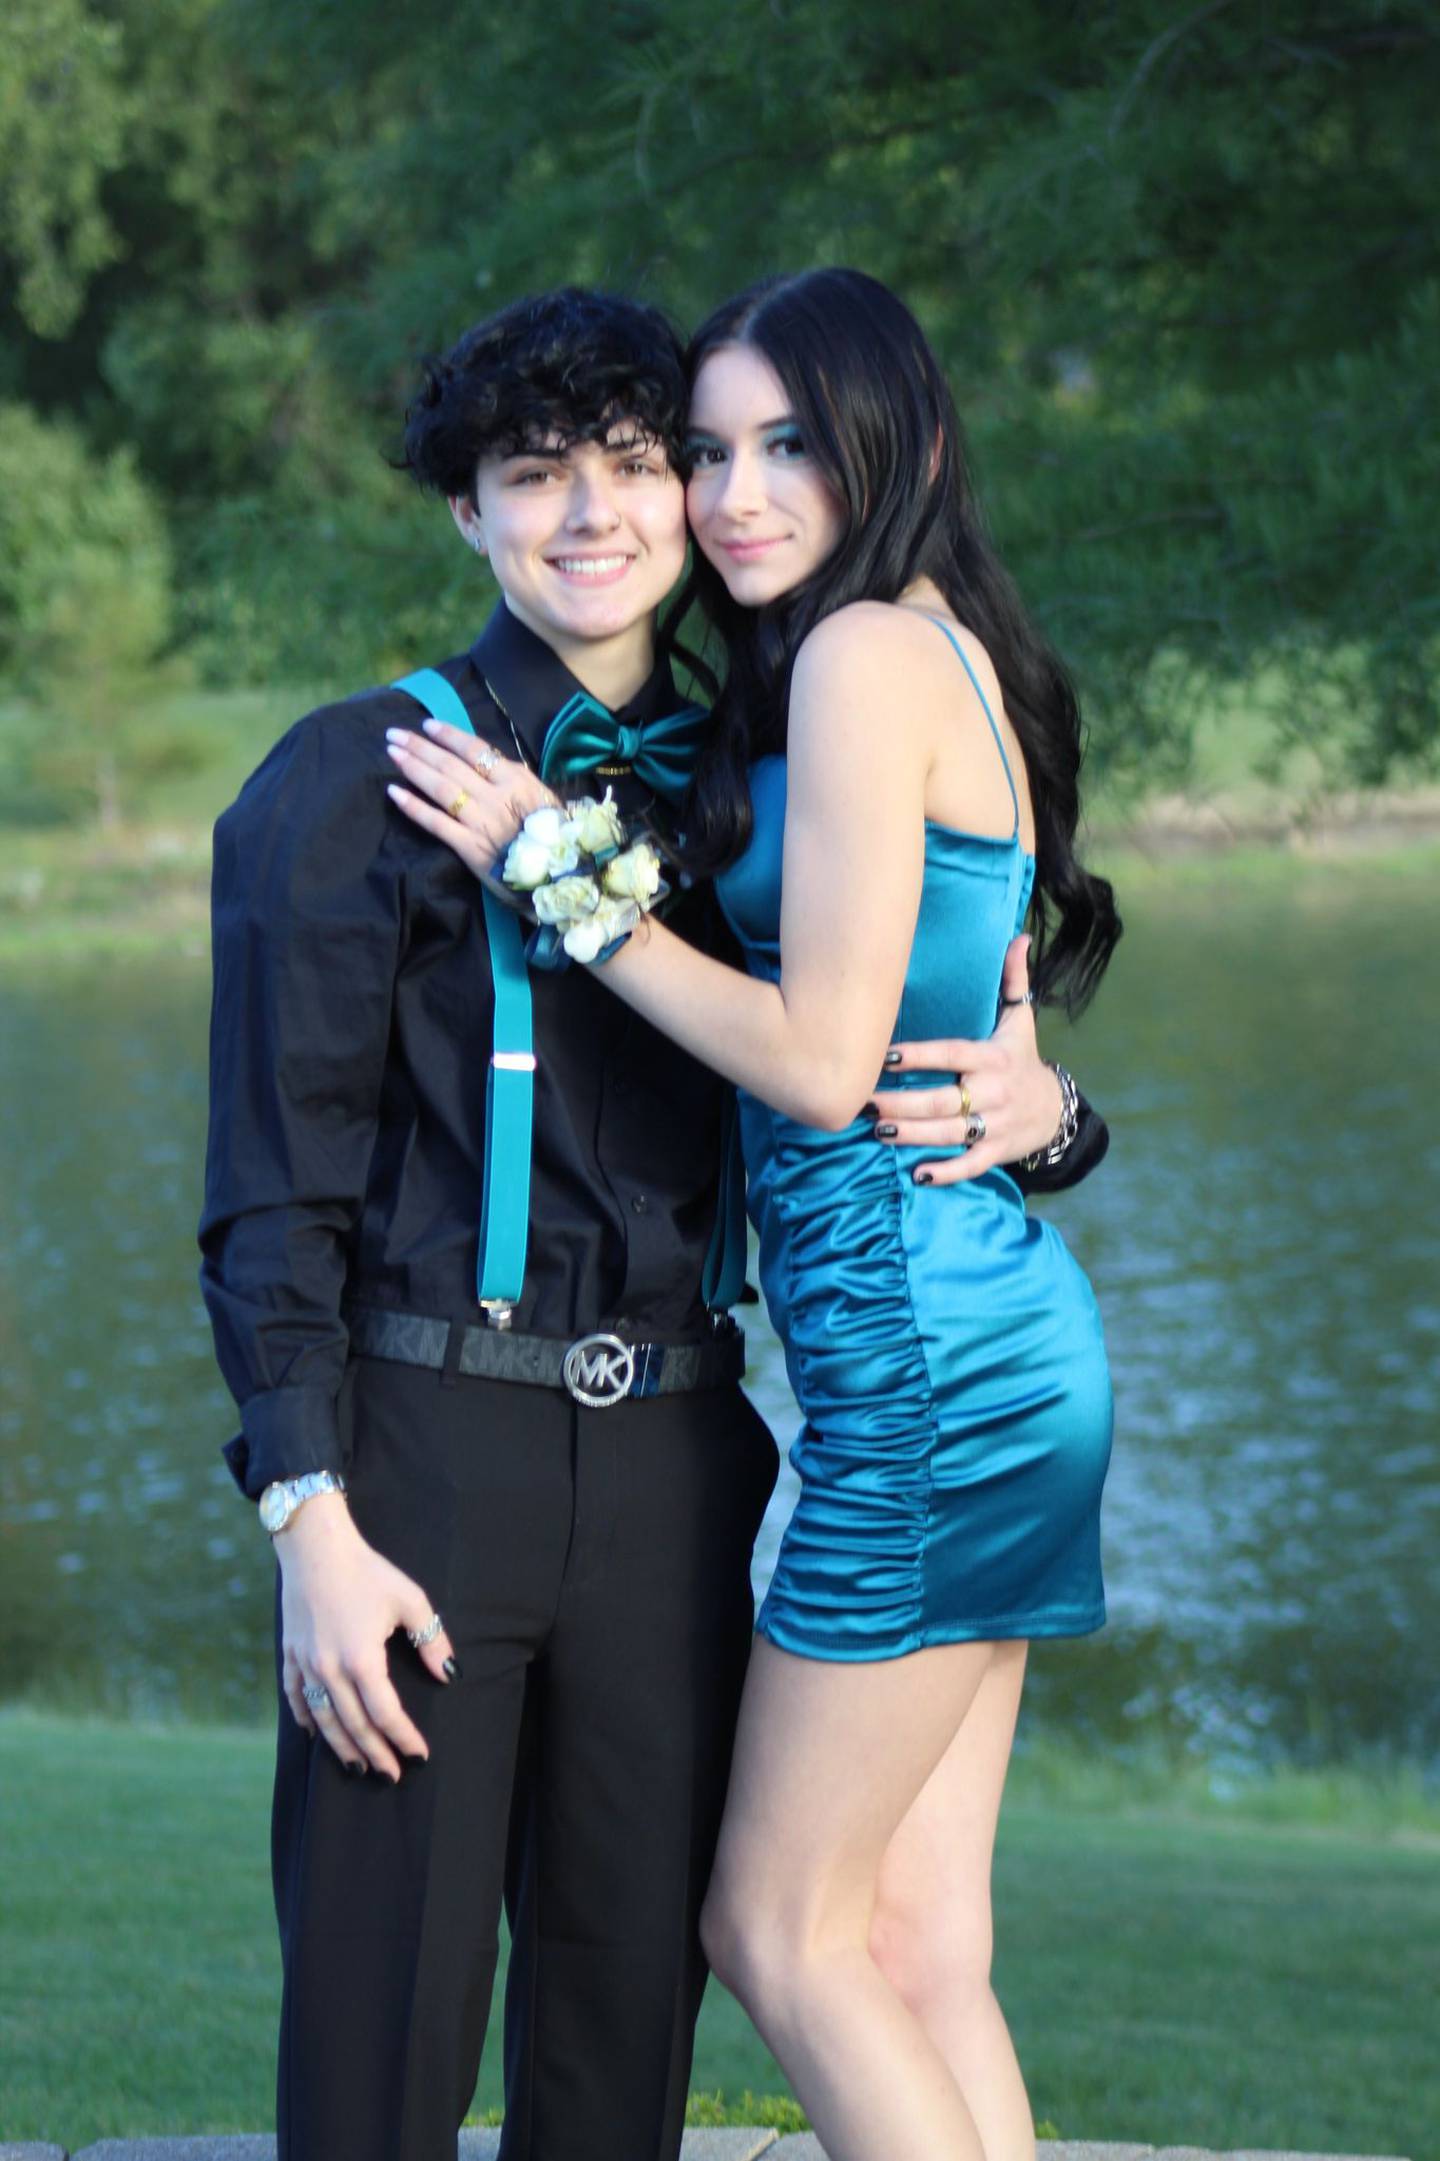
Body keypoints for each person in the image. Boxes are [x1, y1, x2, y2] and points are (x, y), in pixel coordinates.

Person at [201, 285, 1108, 2161]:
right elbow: (268, 1198)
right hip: (432, 1455)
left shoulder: (750, 762)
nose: (607, 512)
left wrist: (1057, 1111)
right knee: (388, 2041)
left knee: (636, 2033)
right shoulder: (355, 783)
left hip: (695, 1454)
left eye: (645, 464)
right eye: (539, 476)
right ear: (467, 511)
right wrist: (310, 1517)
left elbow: (894, 1021)